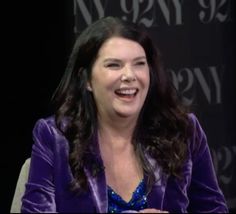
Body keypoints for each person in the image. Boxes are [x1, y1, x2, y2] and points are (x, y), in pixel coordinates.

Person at [21, 16, 228, 213]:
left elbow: (214, 209)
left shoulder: (183, 130)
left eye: (139, 63)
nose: (129, 76)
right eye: (114, 65)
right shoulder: (56, 137)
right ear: (86, 80)